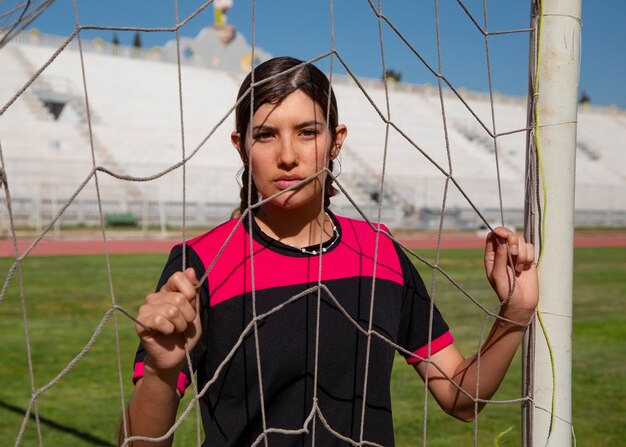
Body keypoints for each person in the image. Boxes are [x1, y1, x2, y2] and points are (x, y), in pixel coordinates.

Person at [119, 56, 538, 447]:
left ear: (336, 141)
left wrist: (514, 313)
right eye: (266, 134)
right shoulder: (200, 264)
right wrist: (161, 370)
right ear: (240, 145)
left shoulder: (380, 251)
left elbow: (460, 399)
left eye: (307, 132)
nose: (287, 156)